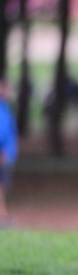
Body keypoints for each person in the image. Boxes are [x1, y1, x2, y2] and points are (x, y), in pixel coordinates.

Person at [0, 79, 18, 227]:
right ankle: (2, 217)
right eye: (5, 89)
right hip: (3, 154)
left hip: (7, 154)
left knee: (3, 186)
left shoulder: (5, 108)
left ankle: (3, 215)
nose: (8, 92)